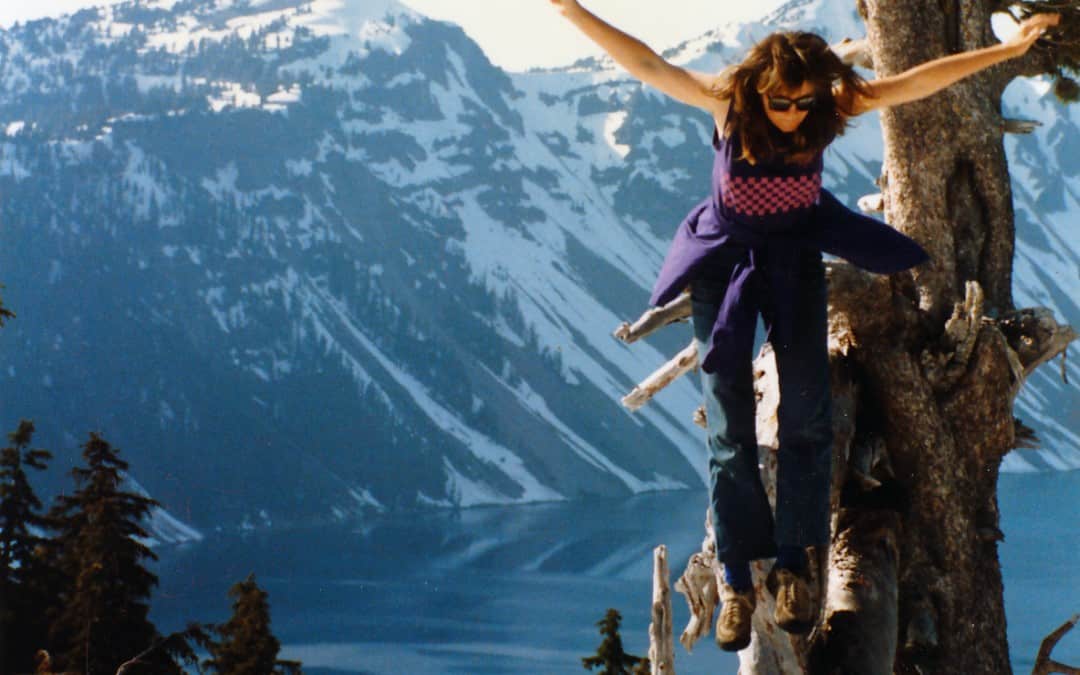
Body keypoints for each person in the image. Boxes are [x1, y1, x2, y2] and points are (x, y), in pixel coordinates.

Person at [548, 0, 1059, 652]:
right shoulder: (728, 101)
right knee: (729, 426)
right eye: (778, 102)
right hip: (725, 264)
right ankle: (736, 579)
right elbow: (646, 60)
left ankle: (793, 565)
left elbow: (919, 80)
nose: (789, 113)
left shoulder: (828, 106)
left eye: (799, 103)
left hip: (794, 258)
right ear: (757, 86)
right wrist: (569, 10)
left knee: (809, 416)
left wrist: (1005, 53)